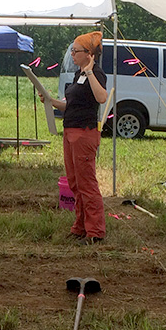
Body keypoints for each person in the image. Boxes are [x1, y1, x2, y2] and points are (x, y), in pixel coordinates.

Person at [43, 32, 108, 245]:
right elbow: (69, 104)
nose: (72, 54)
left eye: (76, 51)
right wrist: (51, 100)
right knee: (75, 183)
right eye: (72, 51)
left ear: (89, 54)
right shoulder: (77, 75)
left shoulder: (95, 74)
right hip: (70, 131)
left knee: (86, 183)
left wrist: (89, 72)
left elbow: (102, 98)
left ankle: (95, 231)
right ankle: (80, 227)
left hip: (84, 133)